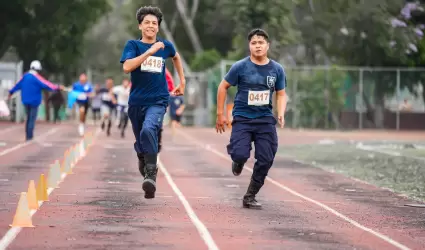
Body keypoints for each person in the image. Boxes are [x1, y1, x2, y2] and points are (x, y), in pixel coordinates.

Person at [215, 29, 287, 209]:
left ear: (267, 46)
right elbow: (223, 87)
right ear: (249, 46)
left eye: (261, 42)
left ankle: (250, 195)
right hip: (243, 118)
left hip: (264, 119)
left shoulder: (277, 69)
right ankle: (238, 161)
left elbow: (281, 93)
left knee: (266, 158)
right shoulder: (240, 67)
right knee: (240, 153)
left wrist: (281, 112)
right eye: (254, 43)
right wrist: (220, 114)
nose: (258, 46)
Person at [120, 5, 185, 199]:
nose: (150, 26)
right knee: (141, 139)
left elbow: (176, 57)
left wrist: (182, 80)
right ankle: (143, 158)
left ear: (158, 27)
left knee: (150, 129)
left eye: (154, 23)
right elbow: (127, 67)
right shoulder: (133, 45)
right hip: (136, 102)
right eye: (147, 22)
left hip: (158, 100)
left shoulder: (165, 46)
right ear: (140, 26)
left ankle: (151, 174)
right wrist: (150, 51)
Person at [8, 60, 62, 140]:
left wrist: (11, 92)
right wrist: (56, 87)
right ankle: (30, 136)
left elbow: (17, 85)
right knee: (32, 119)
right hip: (35, 101)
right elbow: (46, 84)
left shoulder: (24, 76)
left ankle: (28, 135)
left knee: (28, 117)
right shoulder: (37, 77)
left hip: (25, 100)